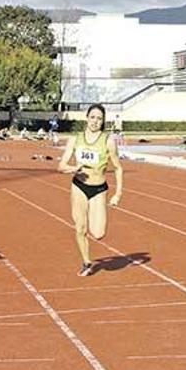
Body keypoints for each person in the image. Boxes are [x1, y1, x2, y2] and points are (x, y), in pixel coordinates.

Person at [58, 104, 124, 276]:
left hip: (98, 189)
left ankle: (90, 257)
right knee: (80, 227)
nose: (95, 121)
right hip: (79, 186)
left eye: (99, 118)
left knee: (98, 233)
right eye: (93, 117)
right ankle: (87, 262)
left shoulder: (108, 141)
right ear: (87, 118)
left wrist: (118, 194)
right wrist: (72, 168)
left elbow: (118, 167)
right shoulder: (75, 139)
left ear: (103, 121)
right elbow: (61, 165)